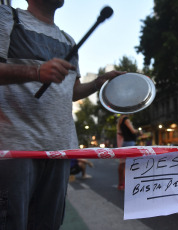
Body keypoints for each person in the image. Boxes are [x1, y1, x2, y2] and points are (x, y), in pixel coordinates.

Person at [0, 1, 125, 229]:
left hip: (59, 149)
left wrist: (98, 83)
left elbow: (72, 92)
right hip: (15, 147)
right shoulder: (8, 18)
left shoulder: (68, 40)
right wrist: (36, 72)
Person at [117, 114, 141, 190]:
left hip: (125, 142)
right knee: (130, 164)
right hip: (130, 142)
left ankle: (121, 184)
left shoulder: (120, 120)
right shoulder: (126, 119)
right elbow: (133, 131)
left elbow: (120, 132)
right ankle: (129, 184)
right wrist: (139, 131)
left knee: (123, 163)